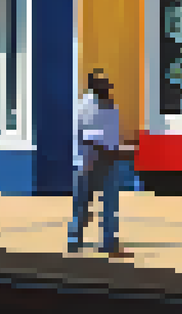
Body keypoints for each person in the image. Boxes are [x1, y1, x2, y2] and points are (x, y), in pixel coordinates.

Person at [69, 69, 130, 257]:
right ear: (94, 87)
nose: (107, 89)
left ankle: (107, 242)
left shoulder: (110, 106)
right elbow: (84, 135)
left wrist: (117, 149)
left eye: (108, 85)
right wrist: (107, 148)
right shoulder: (85, 106)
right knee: (83, 205)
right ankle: (75, 240)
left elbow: (112, 133)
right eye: (103, 85)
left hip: (105, 160)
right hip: (89, 161)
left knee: (108, 205)